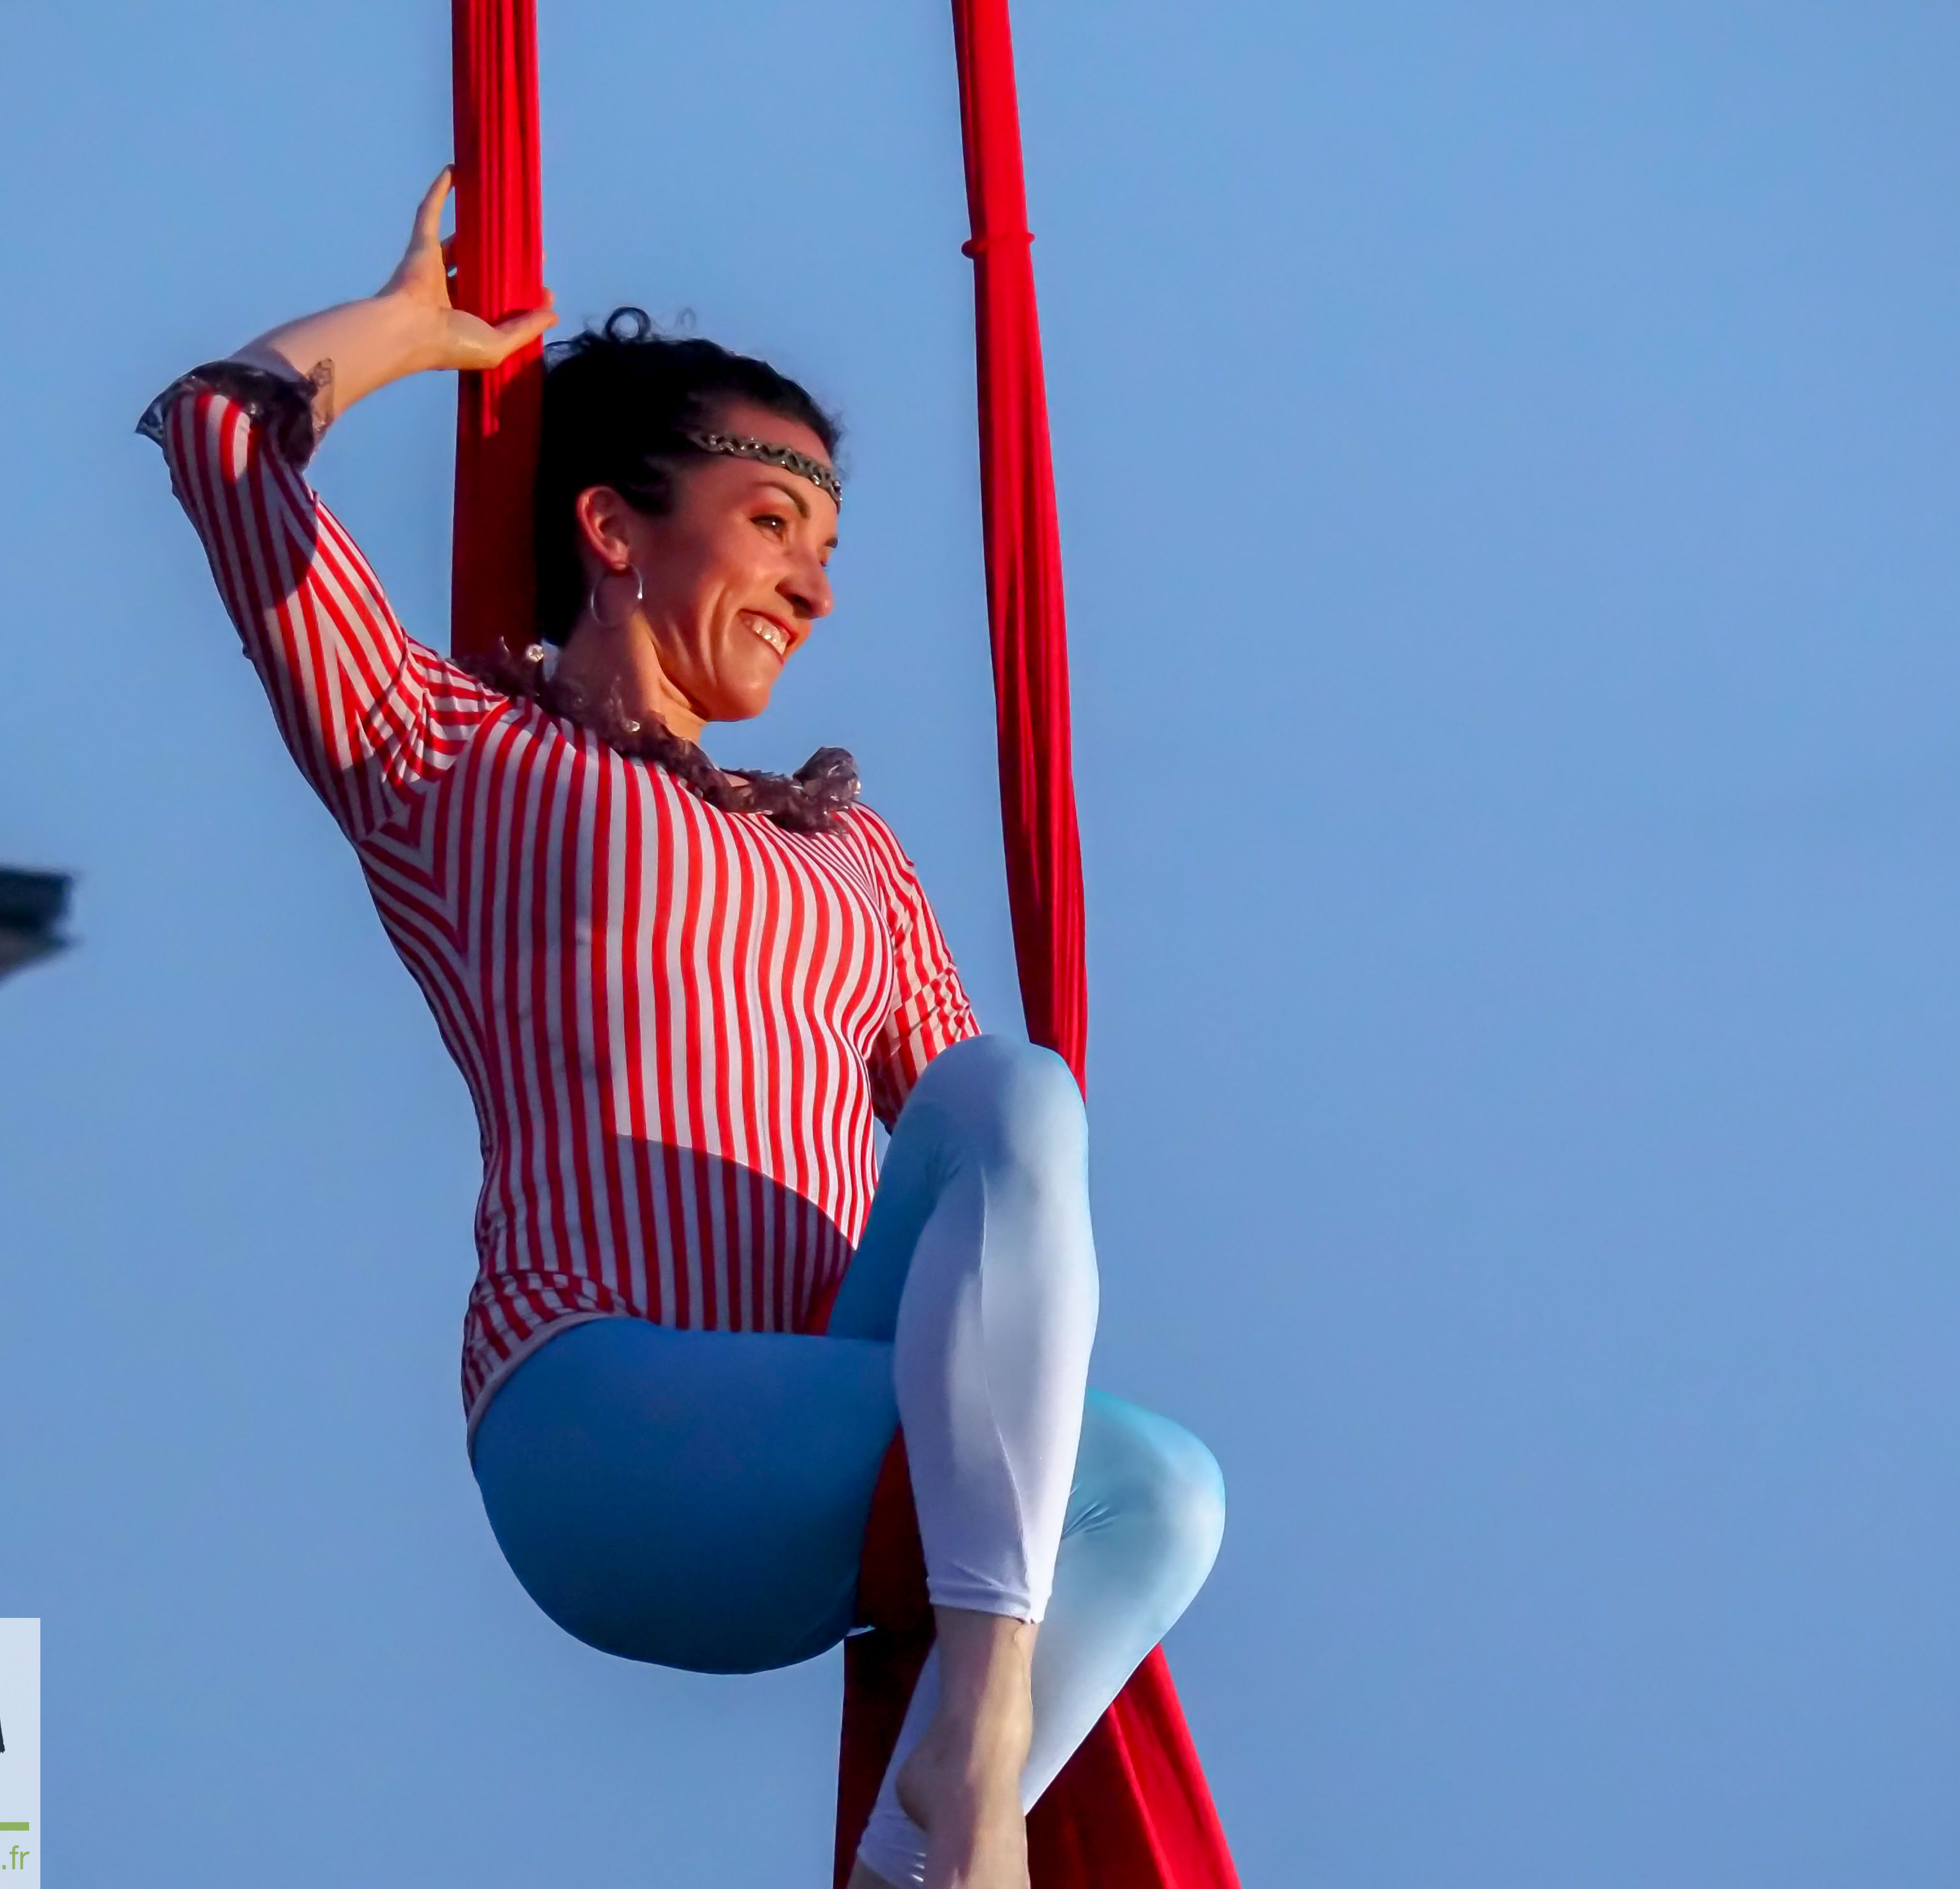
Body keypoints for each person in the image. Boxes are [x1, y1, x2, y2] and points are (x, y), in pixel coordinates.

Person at [142, 171, 1224, 1889]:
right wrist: (403, 338)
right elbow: (215, 438)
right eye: (774, 525)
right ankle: (977, 1755)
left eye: (829, 549)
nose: (815, 590)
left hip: (832, 1432)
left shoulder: (851, 853)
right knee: (1016, 1126)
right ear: (614, 530)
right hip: (607, 1429)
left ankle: (942, 1803)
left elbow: (1000, 1190)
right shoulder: (456, 759)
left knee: (1155, 1474)